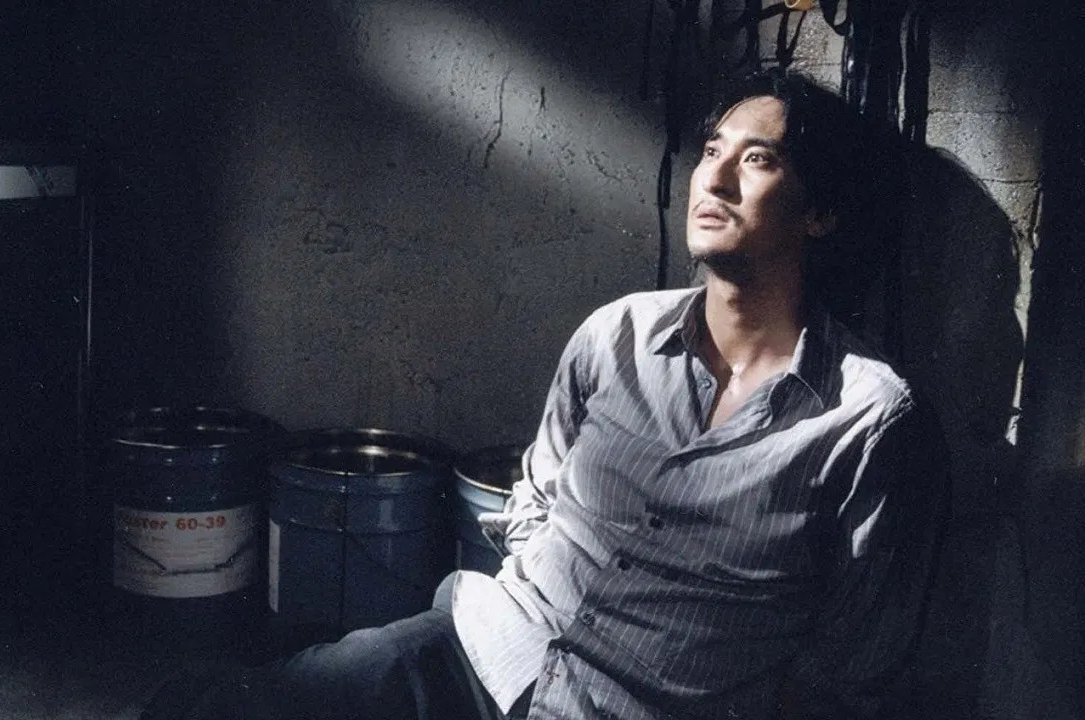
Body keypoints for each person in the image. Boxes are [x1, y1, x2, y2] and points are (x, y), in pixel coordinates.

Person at [141, 67, 946, 720]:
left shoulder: (870, 420)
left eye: (759, 159)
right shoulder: (618, 334)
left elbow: (848, 671)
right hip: (483, 655)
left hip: (642, 706)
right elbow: (538, 494)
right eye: (712, 150)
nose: (716, 178)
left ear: (821, 212)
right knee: (208, 707)